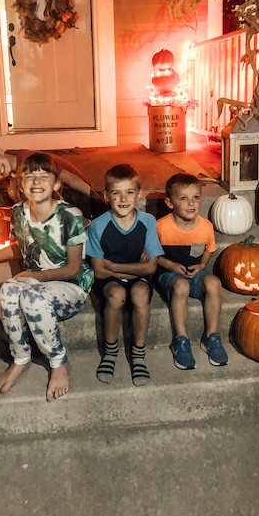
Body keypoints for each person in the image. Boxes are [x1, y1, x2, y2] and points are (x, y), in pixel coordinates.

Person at [0, 152, 94, 402]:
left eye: (44, 175)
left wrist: (32, 275)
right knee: (9, 289)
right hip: (37, 283)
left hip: (70, 286)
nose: (36, 180)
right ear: (20, 184)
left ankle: (58, 362)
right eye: (30, 176)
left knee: (31, 296)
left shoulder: (69, 216)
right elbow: (19, 248)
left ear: (56, 184)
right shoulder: (19, 212)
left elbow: (73, 269)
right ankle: (21, 358)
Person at [86, 164, 164, 386]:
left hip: (132, 276)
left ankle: (138, 354)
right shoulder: (98, 226)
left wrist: (116, 267)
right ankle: (110, 352)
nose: (123, 199)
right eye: (116, 193)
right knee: (116, 295)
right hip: (109, 281)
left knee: (139, 294)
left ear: (139, 195)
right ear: (106, 196)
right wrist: (125, 269)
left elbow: (150, 268)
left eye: (129, 192)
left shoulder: (147, 222)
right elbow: (99, 270)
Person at [154, 173, 228, 370]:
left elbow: (209, 250)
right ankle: (181, 339)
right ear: (170, 203)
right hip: (168, 274)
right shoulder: (161, 226)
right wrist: (170, 265)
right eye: (183, 198)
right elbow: (151, 256)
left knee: (214, 283)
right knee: (181, 285)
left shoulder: (205, 227)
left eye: (196, 197)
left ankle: (210, 337)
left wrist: (203, 266)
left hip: (195, 272)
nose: (191, 203)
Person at [0, 145, 108, 220]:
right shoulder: (15, 176)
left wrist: (98, 200)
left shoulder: (30, 161)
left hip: (79, 199)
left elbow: (71, 179)